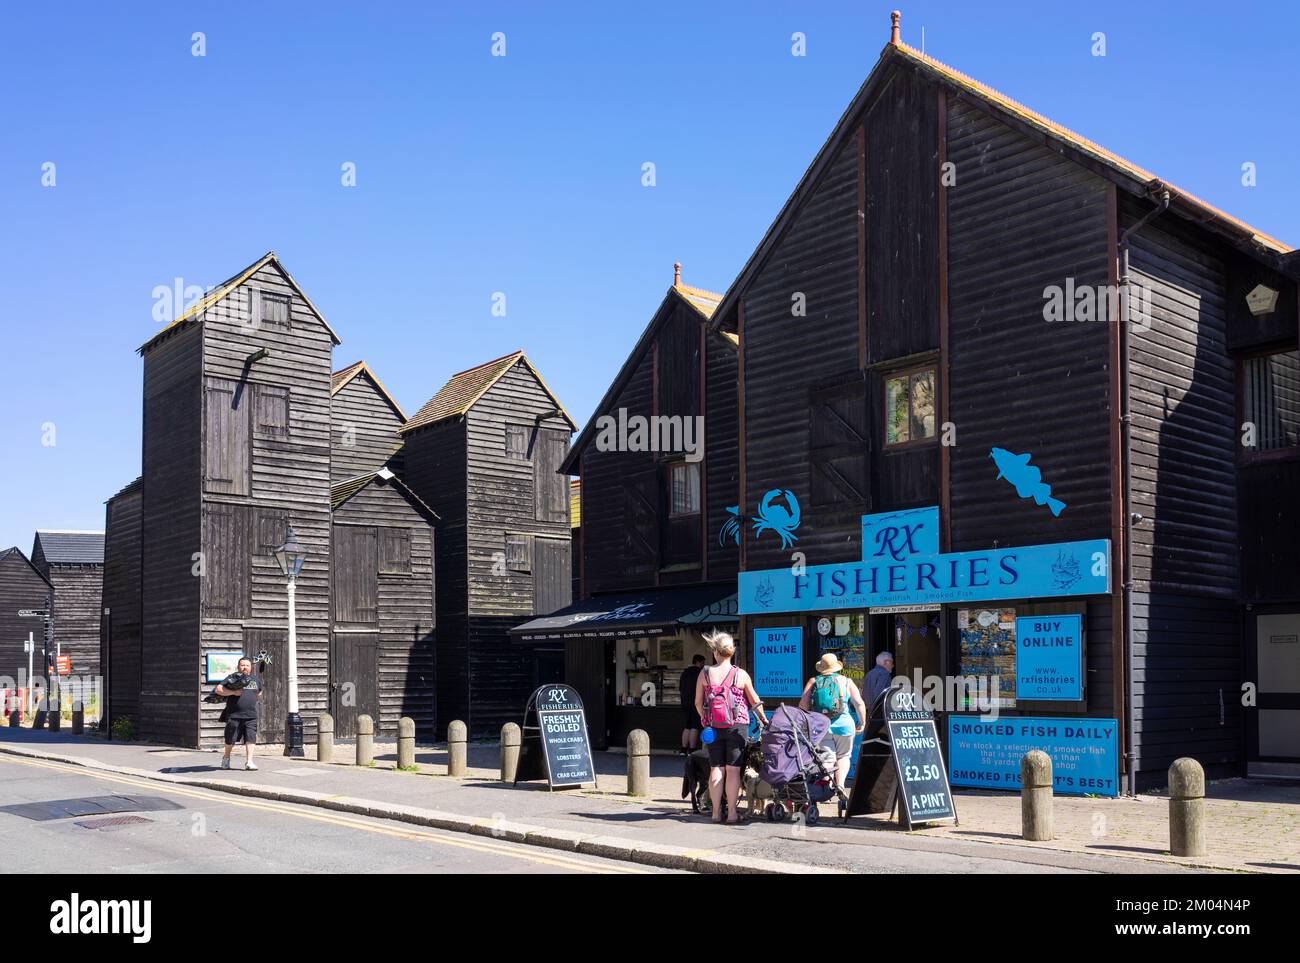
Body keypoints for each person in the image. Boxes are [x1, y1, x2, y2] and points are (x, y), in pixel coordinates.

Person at [694, 630, 767, 824]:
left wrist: (706, 719)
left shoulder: (705, 673)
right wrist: (764, 719)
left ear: (715, 652)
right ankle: (733, 813)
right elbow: (755, 702)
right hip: (737, 726)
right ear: (732, 652)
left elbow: (697, 703)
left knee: (716, 768)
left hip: (713, 728)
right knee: (733, 770)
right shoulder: (740, 674)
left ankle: (716, 813)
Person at [799, 653, 866, 791]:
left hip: (822, 727)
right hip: (845, 726)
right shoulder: (846, 681)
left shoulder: (813, 681)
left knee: (827, 759)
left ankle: (826, 788)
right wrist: (862, 721)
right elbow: (859, 703)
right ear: (836, 667)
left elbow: (803, 705)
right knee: (844, 756)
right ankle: (840, 785)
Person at [217, 657, 263, 770]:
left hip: (251, 715)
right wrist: (233, 692)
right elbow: (218, 689)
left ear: (251, 667)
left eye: (247, 665)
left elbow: (259, 693)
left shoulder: (255, 680)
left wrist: (253, 699)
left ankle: (249, 762)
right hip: (234, 715)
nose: (244, 667)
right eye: (242, 665)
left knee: (251, 738)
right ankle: (226, 758)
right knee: (230, 739)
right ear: (238, 667)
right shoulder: (232, 678)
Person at [679, 654, 706, 753]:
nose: (704, 664)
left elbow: (680, 688)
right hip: (696, 702)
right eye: (703, 662)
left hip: (685, 703)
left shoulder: (685, 672)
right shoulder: (700, 673)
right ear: (698, 662)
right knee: (694, 726)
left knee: (687, 726)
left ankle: (683, 749)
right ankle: (692, 749)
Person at [864, 650, 895, 719]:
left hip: (869, 713)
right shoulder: (884, 674)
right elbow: (879, 694)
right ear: (885, 662)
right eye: (892, 662)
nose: (893, 665)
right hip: (880, 713)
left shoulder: (869, 673)